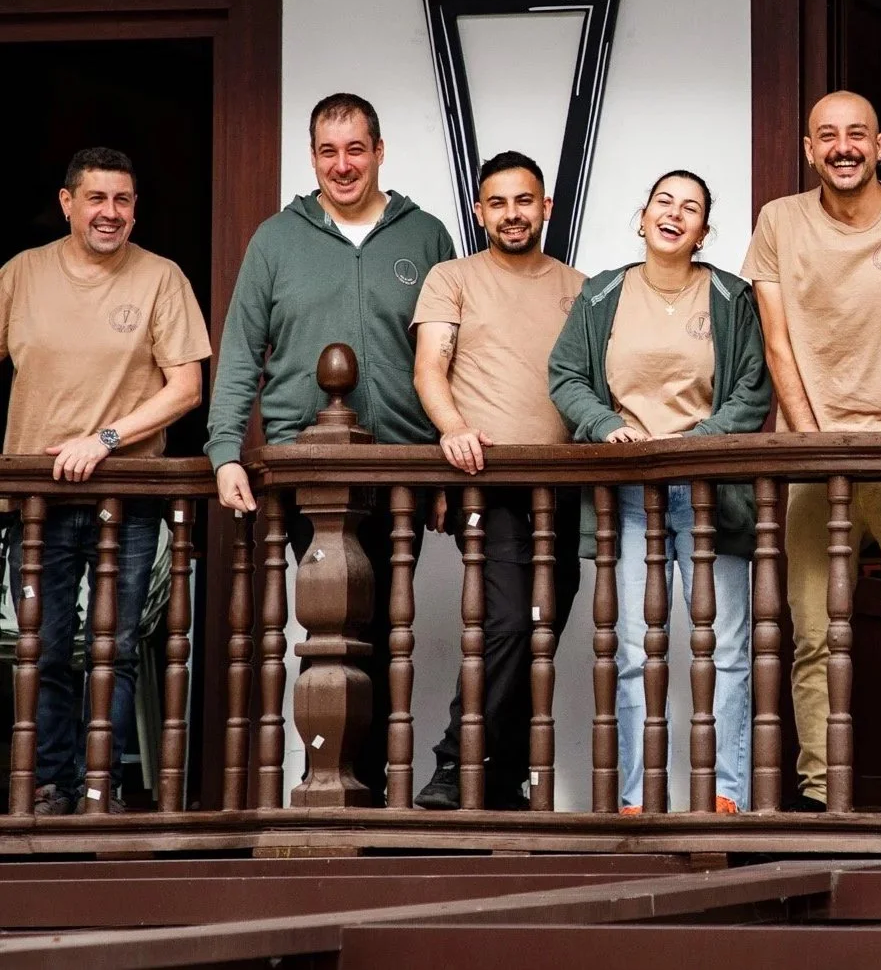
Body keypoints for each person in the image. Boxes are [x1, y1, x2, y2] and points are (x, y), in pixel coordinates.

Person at [205, 92, 454, 799]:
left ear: (379, 151)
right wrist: (226, 449)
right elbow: (241, 352)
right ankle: (331, 786)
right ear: (312, 156)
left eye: (354, 149)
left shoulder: (426, 236)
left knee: (380, 638)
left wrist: (441, 467)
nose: (341, 165)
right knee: (324, 640)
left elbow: (450, 358)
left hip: (400, 470)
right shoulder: (274, 241)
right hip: (303, 474)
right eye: (326, 150)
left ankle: (369, 793)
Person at [742, 91, 881, 812]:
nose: (842, 147)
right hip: (806, 454)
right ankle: (817, 794)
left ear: (879, 144)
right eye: (826, 136)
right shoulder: (778, 221)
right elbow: (777, 342)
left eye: (856, 135)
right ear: (809, 149)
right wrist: (814, 447)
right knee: (810, 632)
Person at [549, 170, 771, 812]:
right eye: (664, 203)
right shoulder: (602, 295)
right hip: (626, 491)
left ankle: (728, 795)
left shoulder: (732, 298)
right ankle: (632, 800)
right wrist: (606, 426)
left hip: (711, 491)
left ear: (705, 231)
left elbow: (753, 387)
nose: (675, 215)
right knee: (629, 650)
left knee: (728, 648)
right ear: (641, 218)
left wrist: (701, 441)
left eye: (691, 207)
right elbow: (565, 375)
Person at [2, 147, 210, 815]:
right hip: (38, 497)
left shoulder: (161, 277)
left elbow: (186, 387)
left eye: (122, 200)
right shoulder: (21, 274)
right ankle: (57, 783)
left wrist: (106, 439)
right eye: (96, 198)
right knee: (46, 647)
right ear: (68, 202)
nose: (110, 213)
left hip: (128, 492)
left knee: (113, 649)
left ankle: (102, 784)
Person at [410, 150, 585, 810]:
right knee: (509, 622)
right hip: (486, 477)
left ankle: (502, 774)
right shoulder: (451, 277)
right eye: (498, 202)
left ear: (544, 206)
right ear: (480, 211)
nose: (512, 213)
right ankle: (455, 765)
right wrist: (451, 430)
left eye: (524, 200)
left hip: (562, 485)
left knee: (542, 627)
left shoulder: (580, 286)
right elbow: (430, 366)